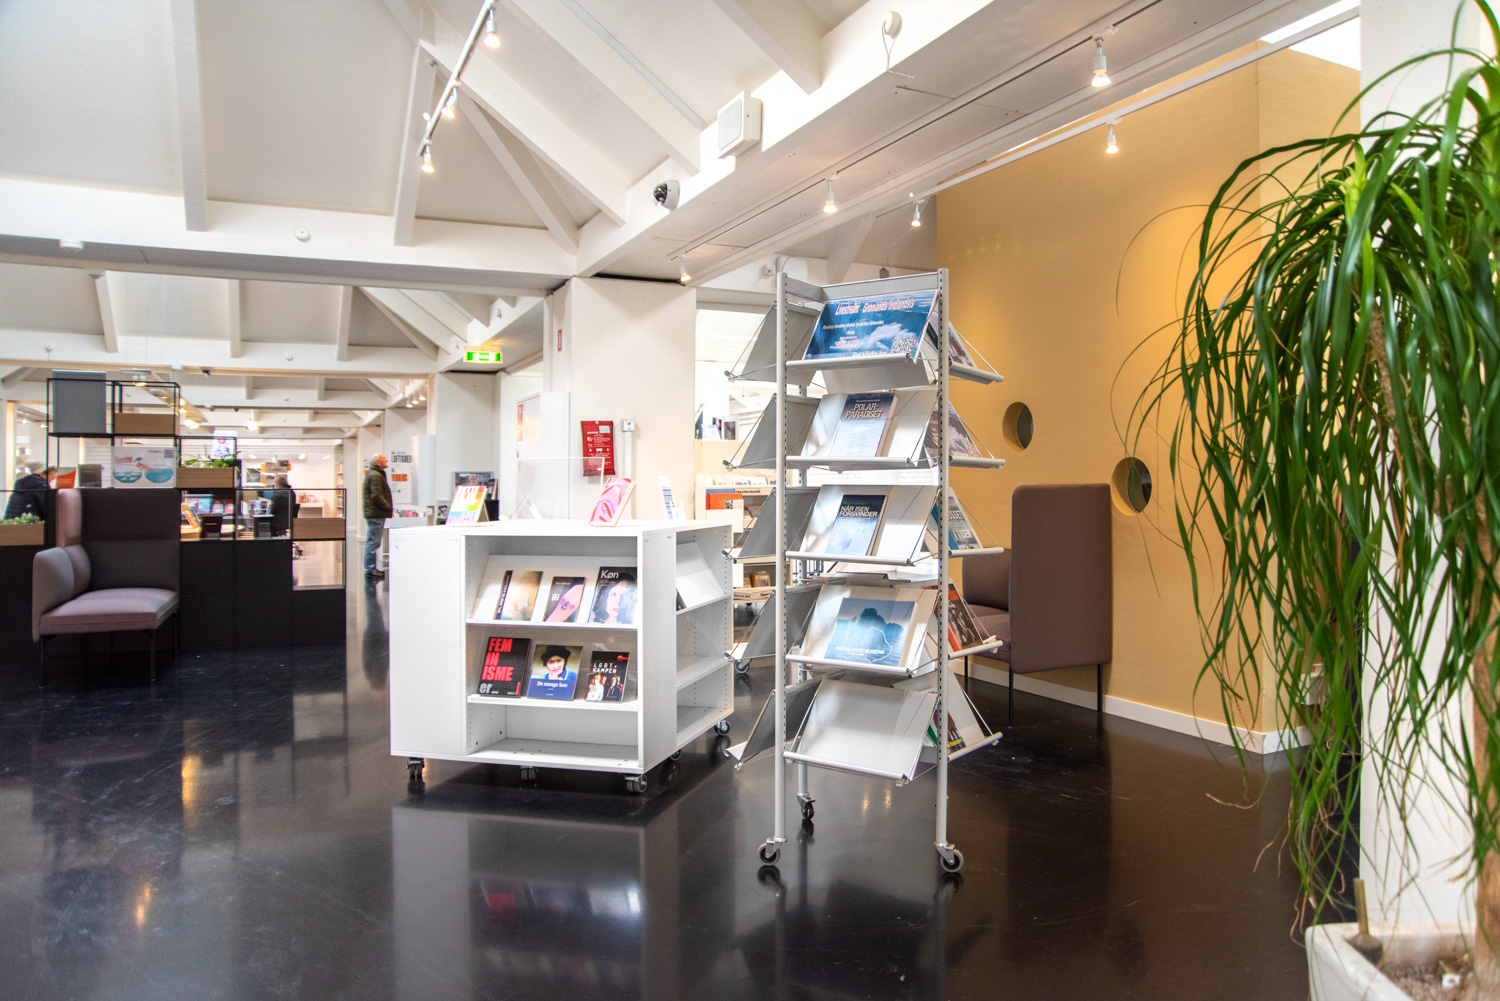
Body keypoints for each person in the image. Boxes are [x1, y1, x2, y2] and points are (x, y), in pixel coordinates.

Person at [363, 453, 392, 579]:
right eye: (383, 458)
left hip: (375, 513)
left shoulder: (376, 474)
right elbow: (376, 495)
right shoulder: (375, 475)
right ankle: (370, 569)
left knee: (373, 541)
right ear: (377, 462)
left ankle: (370, 568)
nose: (386, 460)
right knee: (373, 542)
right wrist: (387, 507)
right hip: (376, 513)